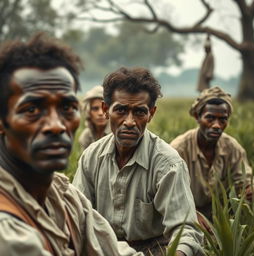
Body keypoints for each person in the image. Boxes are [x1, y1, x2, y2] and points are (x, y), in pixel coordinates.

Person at [0, 33, 143, 256]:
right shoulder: (6, 233)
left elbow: (113, 250)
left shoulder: (63, 196)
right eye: (32, 110)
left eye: (67, 107)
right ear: (3, 121)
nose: (56, 126)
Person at [73, 67, 204, 256]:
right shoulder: (91, 157)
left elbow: (185, 230)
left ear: (151, 113)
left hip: (155, 250)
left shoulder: (168, 164)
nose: (129, 121)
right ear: (105, 110)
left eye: (139, 112)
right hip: (104, 248)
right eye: (121, 110)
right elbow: (79, 217)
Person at [170, 86, 254, 222]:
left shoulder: (232, 147)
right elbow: (170, 195)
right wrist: (192, 215)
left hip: (221, 215)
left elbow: (244, 182)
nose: (216, 125)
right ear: (198, 117)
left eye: (222, 120)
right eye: (210, 118)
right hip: (185, 214)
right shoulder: (179, 149)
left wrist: (250, 189)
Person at [78, 85, 111, 151]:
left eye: (104, 108)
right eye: (95, 108)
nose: (101, 113)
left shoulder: (116, 134)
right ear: (88, 112)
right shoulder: (86, 137)